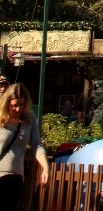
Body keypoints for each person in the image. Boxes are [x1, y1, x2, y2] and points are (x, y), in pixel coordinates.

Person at [0, 83, 49, 211]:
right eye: (14, 105)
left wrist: (45, 167)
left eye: (21, 104)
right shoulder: (1, 119)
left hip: (15, 176)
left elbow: (36, 144)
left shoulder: (29, 119)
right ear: (7, 103)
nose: (18, 109)